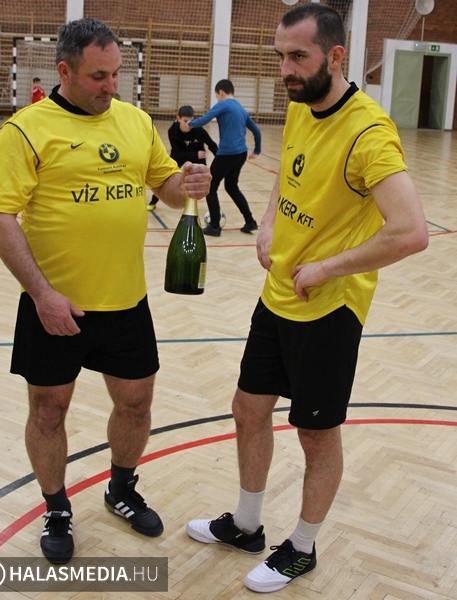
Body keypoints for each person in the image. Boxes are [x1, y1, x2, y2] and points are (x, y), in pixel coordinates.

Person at [186, 3, 428, 594]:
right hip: (278, 295)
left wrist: (328, 266)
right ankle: (246, 525)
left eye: (298, 56)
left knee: (316, 435)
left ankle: (301, 547)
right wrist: (268, 224)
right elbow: (286, 179)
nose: (286, 70)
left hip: (329, 308)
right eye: (280, 57)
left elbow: (411, 231)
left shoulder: (369, 134)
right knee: (248, 409)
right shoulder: (301, 105)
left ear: (336, 56)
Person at [0, 18, 210, 565]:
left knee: (136, 404)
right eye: (98, 76)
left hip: (127, 302)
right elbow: (0, 218)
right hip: (54, 306)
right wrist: (41, 294)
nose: (111, 86)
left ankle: (121, 488)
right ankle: (56, 507)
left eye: (116, 74)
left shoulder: (135, 122)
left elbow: (166, 188)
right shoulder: (25, 130)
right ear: (64, 71)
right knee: (48, 413)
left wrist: (187, 182)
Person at [188, 79, 261, 237]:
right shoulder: (240, 108)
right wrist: (257, 150)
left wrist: (189, 123)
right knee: (231, 186)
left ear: (220, 92)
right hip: (241, 153)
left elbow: (205, 119)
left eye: (216, 96)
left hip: (228, 153)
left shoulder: (223, 105)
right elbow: (256, 130)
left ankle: (215, 226)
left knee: (210, 187)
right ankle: (250, 221)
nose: (217, 99)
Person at [147, 104, 218, 211]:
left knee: (204, 181)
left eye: (191, 121)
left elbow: (212, 145)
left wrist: (220, 159)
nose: (189, 124)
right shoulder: (173, 131)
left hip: (198, 157)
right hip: (180, 155)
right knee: (164, 178)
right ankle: (153, 202)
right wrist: (195, 154)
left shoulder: (199, 130)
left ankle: (214, 211)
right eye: (185, 121)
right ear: (178, 118)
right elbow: (177, 153)